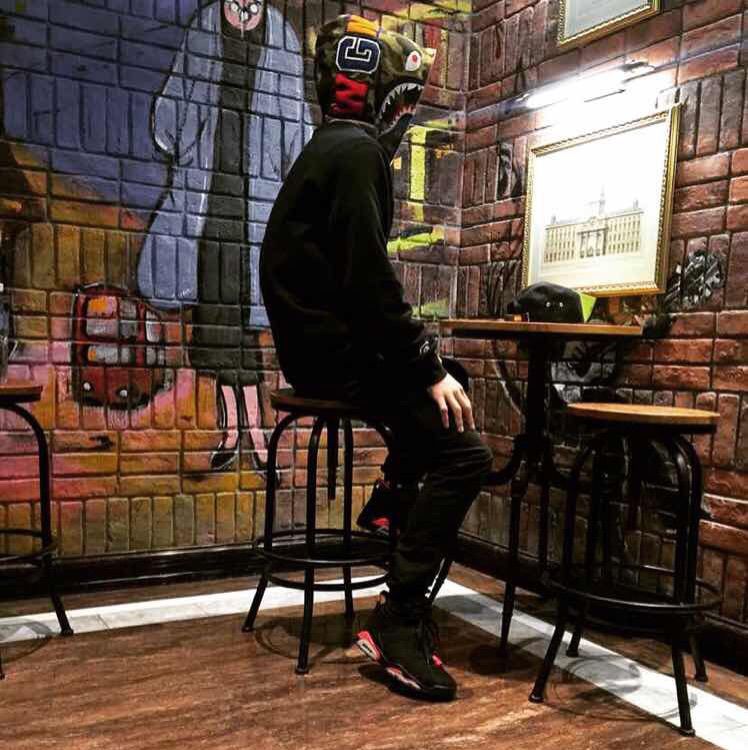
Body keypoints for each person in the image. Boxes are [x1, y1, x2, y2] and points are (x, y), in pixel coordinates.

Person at [260, 14, 493, 700]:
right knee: (466, 454)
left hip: (317, 350)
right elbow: (369, 282)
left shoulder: (329, 146)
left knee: (454, 382)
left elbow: (355, 283)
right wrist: (423, 362)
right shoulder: (358, 152)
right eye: (407, 100)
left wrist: (431, 366)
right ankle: (397, 620)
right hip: (334, 358)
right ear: (388, 97)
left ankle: (391, 500)